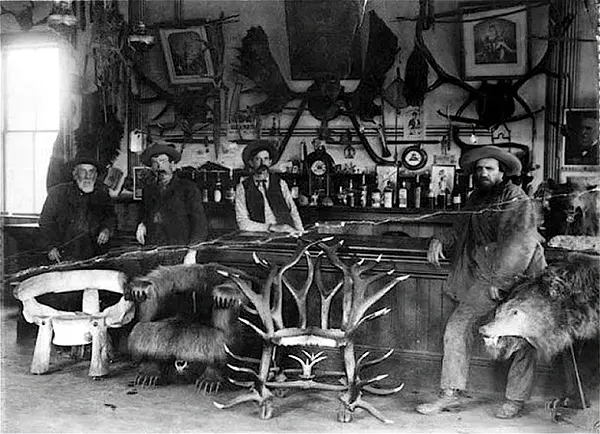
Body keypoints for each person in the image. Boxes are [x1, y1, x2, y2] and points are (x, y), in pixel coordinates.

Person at [415, 146, 547, 419]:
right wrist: (440, 240)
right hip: (488, 277)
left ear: (502, 172)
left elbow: (519, 244)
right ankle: (450, 394)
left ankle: (515, 399)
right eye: (479, 169)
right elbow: (462, 229)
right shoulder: (476, 198)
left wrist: (501, 281)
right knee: (457, 327)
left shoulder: (514, 198)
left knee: (523, 337)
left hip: (522, 277)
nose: (483, 173)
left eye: (489, 168)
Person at [135, 144, 207, 264]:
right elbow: (145, 213)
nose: (159, 167)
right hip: (152, 252)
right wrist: (141, 224)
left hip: (178, 253)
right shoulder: (148, 190)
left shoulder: (188, 188)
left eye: (163, 161)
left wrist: (192, 251)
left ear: (172, 165)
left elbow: (199, 223)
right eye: (154, 162)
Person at [39, 153, 116, 263]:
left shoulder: (102, 195)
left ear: (95, 175)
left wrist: (106, 230)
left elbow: (110, 217)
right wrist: (50, 247)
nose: (87, 176)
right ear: (75, 173)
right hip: (63, 255)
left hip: (95, 255)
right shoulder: (58, 193)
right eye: (82, 171)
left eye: (91, 171)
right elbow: (45, 221)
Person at [235, 140, 303, 234]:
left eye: (266, 159)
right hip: (259, 237)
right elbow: (242, 223)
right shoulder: (242, 188)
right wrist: (271, 227)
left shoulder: (280, 183)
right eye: (258, 159)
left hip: (286, 235)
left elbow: (293, 211)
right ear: (251, 162)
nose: (262, 163)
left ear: (270, 162)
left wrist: (300, 232)